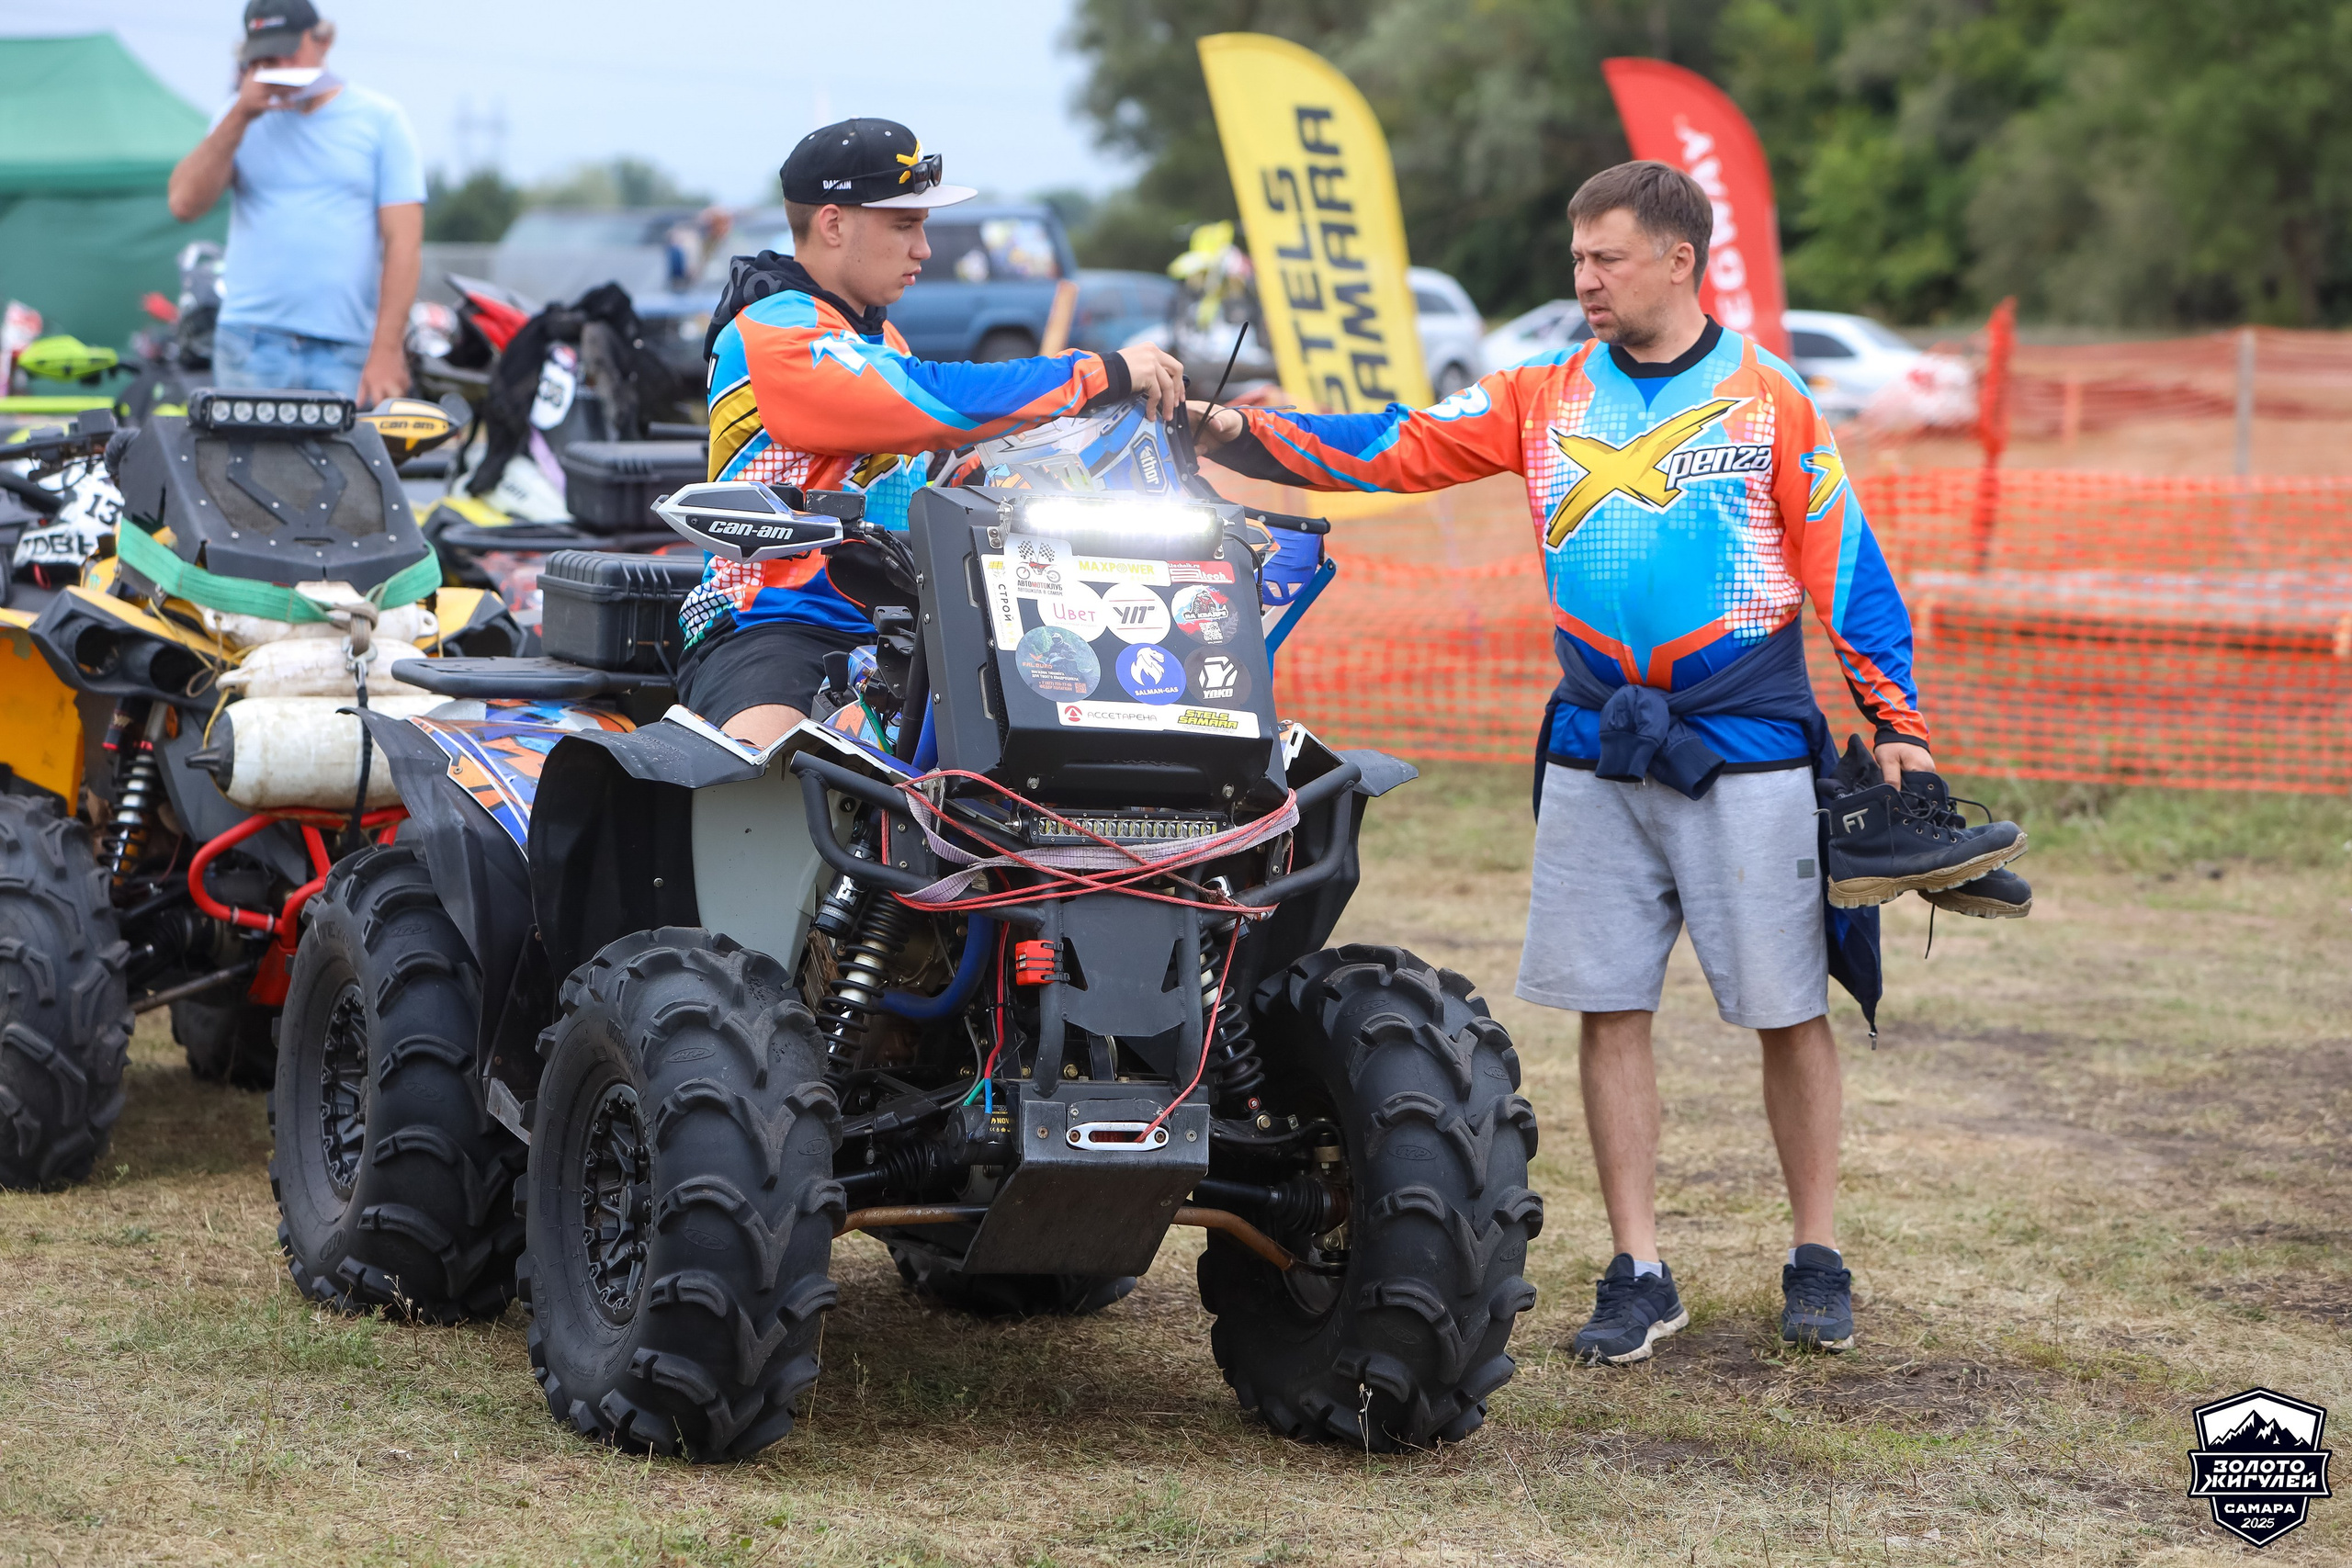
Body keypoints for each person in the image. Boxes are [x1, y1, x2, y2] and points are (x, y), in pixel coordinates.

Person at [1190, 161, 2023, 1364]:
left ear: (1681, 261)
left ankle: (1817, 1252)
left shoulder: (1768, 397)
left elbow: (1847, 566)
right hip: (1592, 746)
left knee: (1788, 1010)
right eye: (1577, 259)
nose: (1584, 280)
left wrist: (1898, 723)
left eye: (1607, 259)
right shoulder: (1542, 393)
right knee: (1609, 1006)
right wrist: (1238, 429)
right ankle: (1639, 1266)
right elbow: (1394, 447)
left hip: (1745, 748)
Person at [677, 118, 1185, 749]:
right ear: (833, 224)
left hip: (899, 625)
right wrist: (1098, 373)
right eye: (904, 225)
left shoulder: (876, 336)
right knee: (772, 775)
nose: (924, 249)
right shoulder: (774, 330)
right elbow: (930, 399)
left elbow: (939, 461)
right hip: (772, 626)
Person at [166, 1, 424, 407]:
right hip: (249, 340)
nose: (277, 65)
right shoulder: (236, 119)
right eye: (264, 56)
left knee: (344, 471)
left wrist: (386, 350)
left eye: (287, 50)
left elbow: (404, 244)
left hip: (346, 346)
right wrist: (240, 114)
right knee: (243, 469)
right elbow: (183, 204)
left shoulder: (381, 120)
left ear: (323, 41)